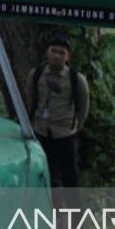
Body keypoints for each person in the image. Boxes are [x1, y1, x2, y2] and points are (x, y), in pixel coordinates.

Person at [24, 35, 89, 190]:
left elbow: (83, 106)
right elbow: (30, 98)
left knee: (70, 176)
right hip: (41, 132)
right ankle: (54, 210)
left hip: (65, 134)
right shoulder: (36, 74)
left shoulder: (76, 79)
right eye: (53, 51)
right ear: (47, 53)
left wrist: (75, 126)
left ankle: (75, 213)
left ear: (68, 57)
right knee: (46, 174)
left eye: (62, 52)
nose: (57, 55)